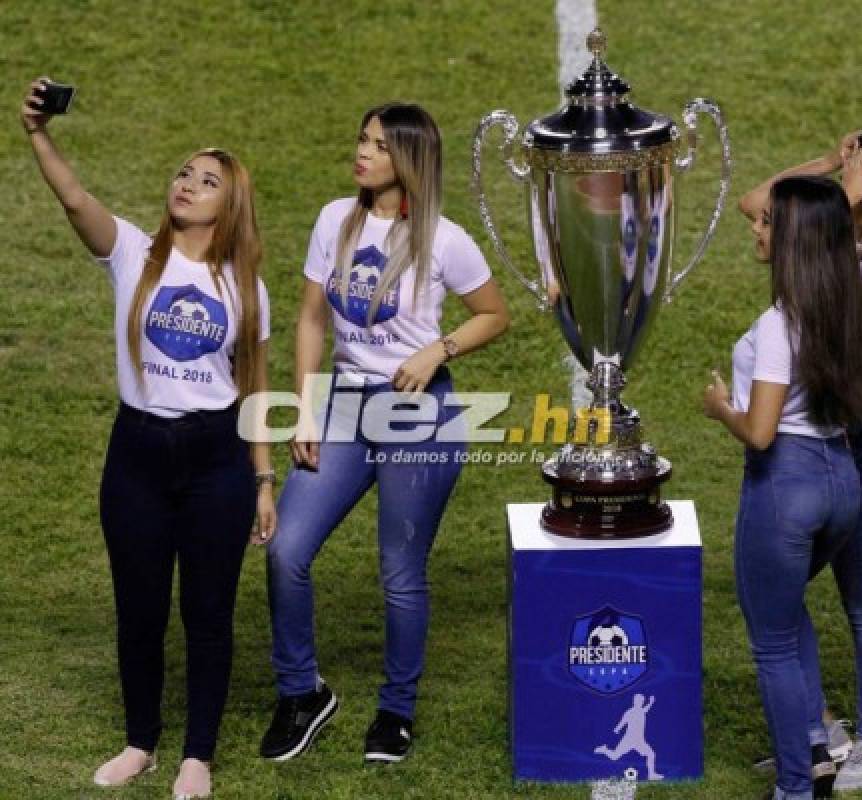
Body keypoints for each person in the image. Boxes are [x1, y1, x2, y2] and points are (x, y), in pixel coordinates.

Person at [21, 78, 276, 800]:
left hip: (216, 461)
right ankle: (141, 742)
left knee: (207, 613)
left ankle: (198, 753)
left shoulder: (246, 286)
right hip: (134, 454)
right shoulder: (134, 252)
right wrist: (39, 133)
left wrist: (263, 481)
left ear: (230, 204)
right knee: (138, 608)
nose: (188, 184)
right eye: (183, 173)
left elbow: (256, 387)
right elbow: (75, 200)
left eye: (207, 180)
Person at [259, 102, 510, 764]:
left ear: (410, 161)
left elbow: (493, 313)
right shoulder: (333, 221)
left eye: (378, 145)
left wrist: (439, 350)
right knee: (285, 549)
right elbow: (312, 319)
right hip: (343, 405)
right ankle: (301, 693)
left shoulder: (445, 239)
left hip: (418, 411)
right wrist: (306, 407)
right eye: (361, 138)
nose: (362, 152)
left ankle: (395, 711)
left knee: (400, 572)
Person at [740, 131, 862, 790]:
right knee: (780, 594)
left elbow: (807, 259)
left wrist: (838, 199)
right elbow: (756, 202)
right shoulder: (837, 245)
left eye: (859, 176)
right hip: (824, 442)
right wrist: (824, 168)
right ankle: (818, 736)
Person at [704, 176, 862, 800]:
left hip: (786, 485)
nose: (755, 228)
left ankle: (797, 786)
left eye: (769, 223)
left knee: (772, 642)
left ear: (796, 239)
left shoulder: (781, 324)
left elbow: (760, 432)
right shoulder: (849, 304)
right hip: (841, 481)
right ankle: (815, 741)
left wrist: (719, 407)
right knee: (785, 612)